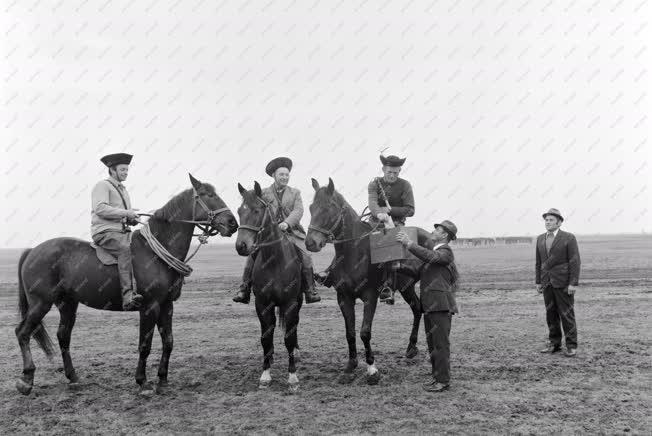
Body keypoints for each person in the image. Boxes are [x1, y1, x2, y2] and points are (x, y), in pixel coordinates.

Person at [315, 154, 414, 303]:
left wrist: (389, 210)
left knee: (388, 245)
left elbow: (410, 210)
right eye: (389, 172)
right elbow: (372, 202)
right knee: (349, 241)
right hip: (374, 222)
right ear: (383, 169)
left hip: (395, 223)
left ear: (399, 171)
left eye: (395, 172)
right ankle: (330, 272)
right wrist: (378, 212)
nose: (392, 175)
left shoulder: (405, 185)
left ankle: (388, 286)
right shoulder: (374, 184)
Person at [233, 157, 321, 304]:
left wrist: (287, 223)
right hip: (269, 235)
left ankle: (310, 290)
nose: (284, 177)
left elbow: (298, 211)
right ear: (273, 175)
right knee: (252, 255)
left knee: (306, 256)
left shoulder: (295, 193)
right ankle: (244, 289)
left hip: (292, 233)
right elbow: (253, 203)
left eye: (287, 175)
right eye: (281, 174)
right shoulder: (264, 193)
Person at [396, 220, 459, 392]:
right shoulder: (433, 254)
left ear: (444, 235)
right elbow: (416, 272)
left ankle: (443, 381)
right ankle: (436, 377)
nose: (433, 231)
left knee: (441, 345)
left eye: (437, 230)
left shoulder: (445, 252)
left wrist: (409, 244)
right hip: (430, 307)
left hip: (441, 306)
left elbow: (429, 256)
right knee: (433, 346)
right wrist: (399, 266)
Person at [91, 153, 143, 311]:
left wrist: (132, 219)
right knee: (125, 250)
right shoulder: (102, 185)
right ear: (112, 170)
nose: (126, 172)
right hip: (105, 232)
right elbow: (100, 208)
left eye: (127, 169)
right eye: (122, 169)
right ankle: (128, 296)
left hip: (122, 232)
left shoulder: (124, 190)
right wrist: (127, 213)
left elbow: (121, 214)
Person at [536, 208, 581, 357]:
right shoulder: (540, 238)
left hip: (563, 283)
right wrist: (538, 281)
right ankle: (554, 344)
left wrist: (573, 283)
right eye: (546, 220)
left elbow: (575, 262)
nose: (548, 222)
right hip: (547, 283)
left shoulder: (569, 238)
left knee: (567, 314)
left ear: (559, 222)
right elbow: (538, 262)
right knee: (551, 314)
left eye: (551, 220)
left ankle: (571, 345)